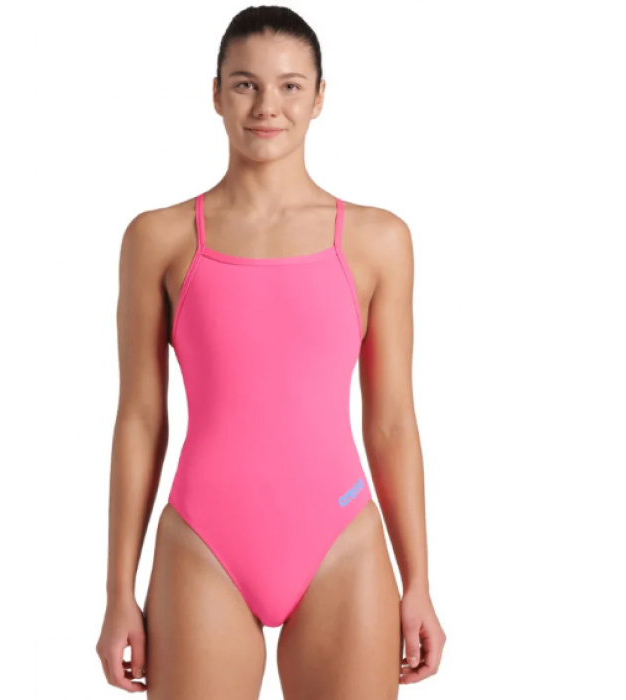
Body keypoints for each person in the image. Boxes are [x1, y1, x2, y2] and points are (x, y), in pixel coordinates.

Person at [96, 6, 446, 698]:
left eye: (290, 86)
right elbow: (140, 419)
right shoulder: (159, 239)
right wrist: (117, 593)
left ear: (319, 98)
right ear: (216, 93)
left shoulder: (378, 240)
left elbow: (392, 423)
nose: (267, 106)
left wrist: (420, 584)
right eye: (245, 84)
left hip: (342, 540)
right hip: (202, 542)